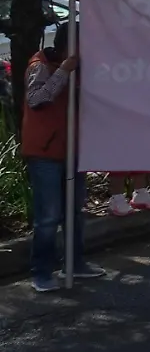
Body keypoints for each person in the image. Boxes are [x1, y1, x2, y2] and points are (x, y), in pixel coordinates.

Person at [25, 25, 106, 293]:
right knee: (48, 217)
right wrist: (64, 71)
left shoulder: (82, 69)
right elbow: (37, 98)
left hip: (72, 151)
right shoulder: (41, 65)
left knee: (74, 212)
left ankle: (74, 263)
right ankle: (42, 272)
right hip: (45, 153)